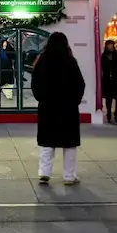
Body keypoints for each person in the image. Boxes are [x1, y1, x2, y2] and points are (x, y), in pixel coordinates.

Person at [31, 32, 85, 185]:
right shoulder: (70, 61)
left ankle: (44, 172)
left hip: (47, 108)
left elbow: (34, 83)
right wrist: (75, 101)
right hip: (68, 109)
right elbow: (80, 84)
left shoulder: (42, 61)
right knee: (69, 144)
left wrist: (41, 98)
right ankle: (69, 176)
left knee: (47, 142)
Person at [100, 40, 117, 125]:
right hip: (107, 80)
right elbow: (102, 67)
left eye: (111, 45)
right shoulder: (103, 55)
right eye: (108, 45)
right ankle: (109, 114)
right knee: (108, 99)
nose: (110, 47)